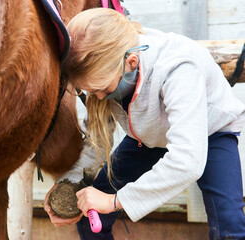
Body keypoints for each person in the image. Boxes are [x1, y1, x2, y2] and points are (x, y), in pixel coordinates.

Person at [44, 7, 245, 240]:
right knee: (92, 216)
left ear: (131, 61)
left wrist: (115, 201)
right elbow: (96, 141)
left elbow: (187, 161)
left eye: (103, 90)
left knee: (229, 228)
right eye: (92, 91)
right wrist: (67, 185)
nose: (99, 98)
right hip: (147, 137)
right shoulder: (110, 70)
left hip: (212, 133)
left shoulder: (178, 69)